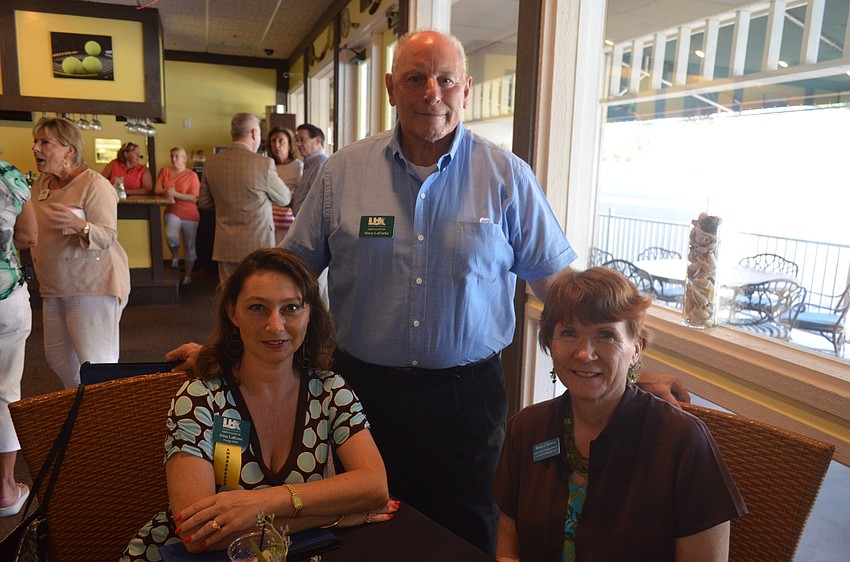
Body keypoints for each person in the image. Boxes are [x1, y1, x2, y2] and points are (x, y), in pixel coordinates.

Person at [174, 30, 688, 555]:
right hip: (359, 394)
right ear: (392, 89)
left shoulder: (506, 176)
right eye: (416, 79)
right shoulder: (344, 173)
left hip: (466, 400)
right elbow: (284, 276)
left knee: (464, 530)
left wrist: (628, 368)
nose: (431, 93)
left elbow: (559, 288)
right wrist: (224, 347)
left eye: (445, 80)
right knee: (355, 527)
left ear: (465, 89)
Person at [121, 248, 394, 560]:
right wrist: (334, 516)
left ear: (309, 314)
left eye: (291, 308)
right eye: (257, 308)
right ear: (232, 312)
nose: (275, 326)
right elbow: (198, 534)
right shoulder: (200, 398)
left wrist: (261, 504)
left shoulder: (330, 390)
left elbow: (374, 487)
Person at [493, 267, 746, 561]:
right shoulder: (527, 428)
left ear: (636, 349)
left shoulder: (683, 441)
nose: (585, 353)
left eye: (606, 335)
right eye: (569, 333)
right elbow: (509, 541)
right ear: (551, 343)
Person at [31, 117, 130, 388]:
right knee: (60, 359)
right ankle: (84, 417)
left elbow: (108, 235)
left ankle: (104, 421)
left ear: (68, 150)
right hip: (53, 286)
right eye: (35, 141)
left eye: (45, 142)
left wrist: (80, 225)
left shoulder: (94, 185)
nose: (36, 148)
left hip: (91, 286)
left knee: (96, 364)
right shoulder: (41, 184)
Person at [198, 113, 291, 283]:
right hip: (257, 245)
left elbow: (204, 202)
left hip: (225, 244)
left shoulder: (211, 163)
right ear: (255, 133)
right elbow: (284, 198)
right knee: (257, 295)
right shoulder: (263, 164)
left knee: (228, 295)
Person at [0, 161, 37, 517]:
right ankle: (6, 489)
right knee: (6, 389)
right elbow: (28, 236)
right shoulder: (7, 175)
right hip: (5, 295)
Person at [154, 146, 201, 285]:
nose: (174, 159)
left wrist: (175, 194)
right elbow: (156, 189)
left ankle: (188, 275)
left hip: (190, 213)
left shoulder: (192, 175)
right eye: (172, 156)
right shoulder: (165, 171)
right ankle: (174, 256)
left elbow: (194, 197)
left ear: (184, 159)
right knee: (171, 237)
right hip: (172, 209)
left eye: (177, 156)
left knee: (190, 245)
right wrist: (166, 192)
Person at [267, 127, 303, 245]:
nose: (277, 145)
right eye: (273, 141)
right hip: (269, 223)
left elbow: (301, 193)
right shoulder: (267, 165)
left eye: (281, 141)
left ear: (290, 144)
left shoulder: (297, 166)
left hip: (288, 223)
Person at [289, 124, 327, 217]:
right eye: (297, 140)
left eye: (302, 140)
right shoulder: (310, 164)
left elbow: (317, 202)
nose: (298, 144)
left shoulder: (321, 164)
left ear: (318, 140)